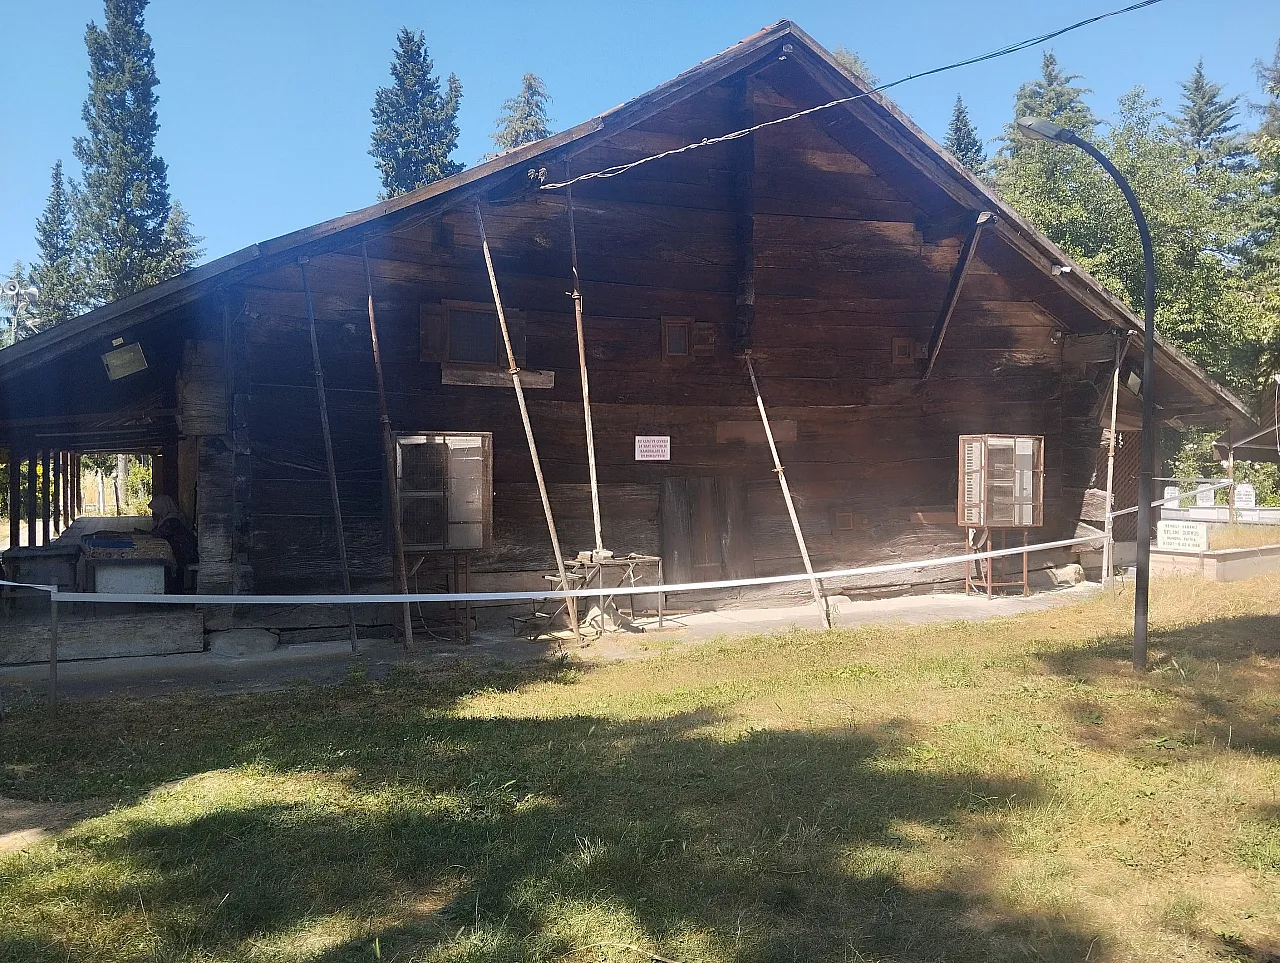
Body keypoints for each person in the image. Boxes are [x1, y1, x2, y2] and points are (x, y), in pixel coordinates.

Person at [149, 495, 198, 592]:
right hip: (178, 552)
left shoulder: (172, 520)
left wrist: (155, 527)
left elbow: (158, 534)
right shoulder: (168, 517)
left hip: (182, 554)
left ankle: (172, 593)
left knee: (165, 566)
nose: (155, 512)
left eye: (156, 509)